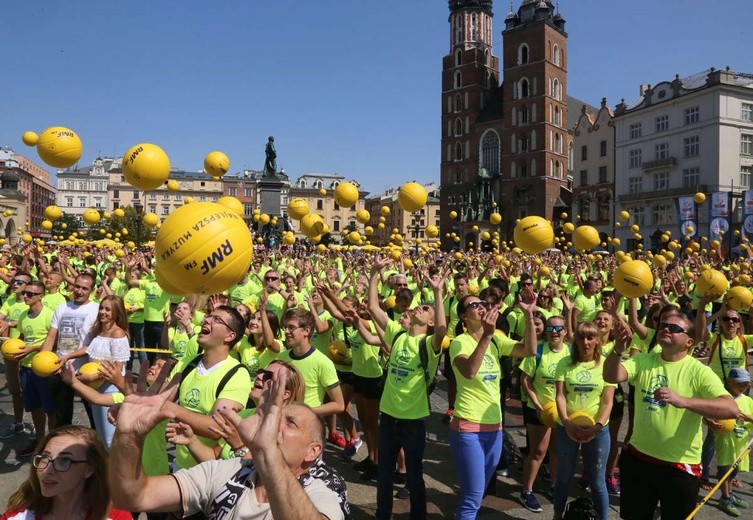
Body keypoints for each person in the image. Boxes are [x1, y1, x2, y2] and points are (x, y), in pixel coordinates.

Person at [108, 368, 347, 520]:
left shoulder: (324, 489)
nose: (274, 426)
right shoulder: (229, 472)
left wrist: (265, 451)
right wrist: (128, 437)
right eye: (274, 419)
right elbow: (133, 497)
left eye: (291, 423)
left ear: (313, 451)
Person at [604, 312, 740, 519]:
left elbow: (731, 408)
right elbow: (611, 375)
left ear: (689, 342)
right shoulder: (643, 360)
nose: (666, 328)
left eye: (675, 328)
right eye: (663, 325)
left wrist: (683, 401)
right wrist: (618, 350)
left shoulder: (698, 371)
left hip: (680, 467)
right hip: (639, 458)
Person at [367, 257, 446, 520]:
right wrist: (375, 273)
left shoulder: (429, 345)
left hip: (414, 421)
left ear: (430, 321)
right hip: (388, 417)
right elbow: (373, 307)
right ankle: (382, 515)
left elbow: (443, 328)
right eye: (419, 307)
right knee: (384, 476)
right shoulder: (398, 334)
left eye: (425, 309)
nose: (418, 309)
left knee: (414, 476)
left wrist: (436, 293)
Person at [449, 292, 537, 519]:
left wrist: (528, 315)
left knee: (479, 494)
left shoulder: (497, 339)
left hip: (495, 428)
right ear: (463, 316)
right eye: (473, 305)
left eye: (482, 303)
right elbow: (469, 371)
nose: (481, 306)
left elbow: (529, 350)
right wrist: (486, 336)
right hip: (468, 427)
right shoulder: (460, 342)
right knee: (472, 494)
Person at [552, 322, 616, 520]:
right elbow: (560, 396)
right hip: (567, 428)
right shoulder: (565, 363)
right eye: (581, 337)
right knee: (563, 477)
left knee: (597, 482)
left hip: (596, 431)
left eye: (590, 337)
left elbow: (607, 402)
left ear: (597, 340)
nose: (586, 342)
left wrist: (597, 428)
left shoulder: (606, 364)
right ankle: (557, 515)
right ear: (575, 340)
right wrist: (566, 421)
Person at [2, 424, 131, 520]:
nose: (47, 470)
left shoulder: (114, 515)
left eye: (64, 461)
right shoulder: (21, 513)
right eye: (45, 457)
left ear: (89, 469)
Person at [518, 315, 571, 511]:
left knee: (557, 451)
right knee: (538, 452)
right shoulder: (537, 351)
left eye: (559, 328)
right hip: (539, 410)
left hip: (562, 412)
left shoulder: (571, 352)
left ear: (566, 330)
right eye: (550, 328)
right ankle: (527, 491)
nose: (554, 332)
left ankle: (554, 485)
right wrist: (537, 403)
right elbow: (525, 380)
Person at [39, 273, 100, 427]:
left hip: (85, 371)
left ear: (91, 290)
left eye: (84, 288)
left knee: (94, 417)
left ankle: (97, 448)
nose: (79, 291)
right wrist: (42, 361)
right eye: (77, 286)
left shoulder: (97, 310)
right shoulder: (62, 307)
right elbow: (51, 337)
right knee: (63, 418)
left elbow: (95, 344)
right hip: (61, 369)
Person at [73, 295, 131, 448]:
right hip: (97, 386)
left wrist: (92, 376)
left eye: (107, 309)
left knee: (109, 437)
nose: (102, 312)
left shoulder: (118, 333)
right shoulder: (100, 330)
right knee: (100, 434)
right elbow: (89, 349)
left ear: (117, 313)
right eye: (101, 308)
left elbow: (117, 370)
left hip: (110, 389)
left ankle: (114, 470)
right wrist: (68, 356)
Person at [14, 281, 55, 456]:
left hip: (44, 369)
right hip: (27, 368)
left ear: (41, 296)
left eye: (30, 294)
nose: (25, 296)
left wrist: (34, 348)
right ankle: (39, 441)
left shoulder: (49, 315)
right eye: (25, 293)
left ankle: (52, 444)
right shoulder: (23, 315)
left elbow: (54, 343)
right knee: (34, 407)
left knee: (50, 408)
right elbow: (22, 338)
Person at [712, 368, 753, 517]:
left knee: (734, 470)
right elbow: (710, 415)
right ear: (729, 382)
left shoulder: (748, 401)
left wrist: (748, 418)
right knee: (725, 470)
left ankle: (730, 493)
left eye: (745, 384)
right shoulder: (722, 399)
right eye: (738, 383)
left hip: (741, 442)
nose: (742, 387)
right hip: (725, 441)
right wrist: (711, 422)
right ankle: (725, 498)